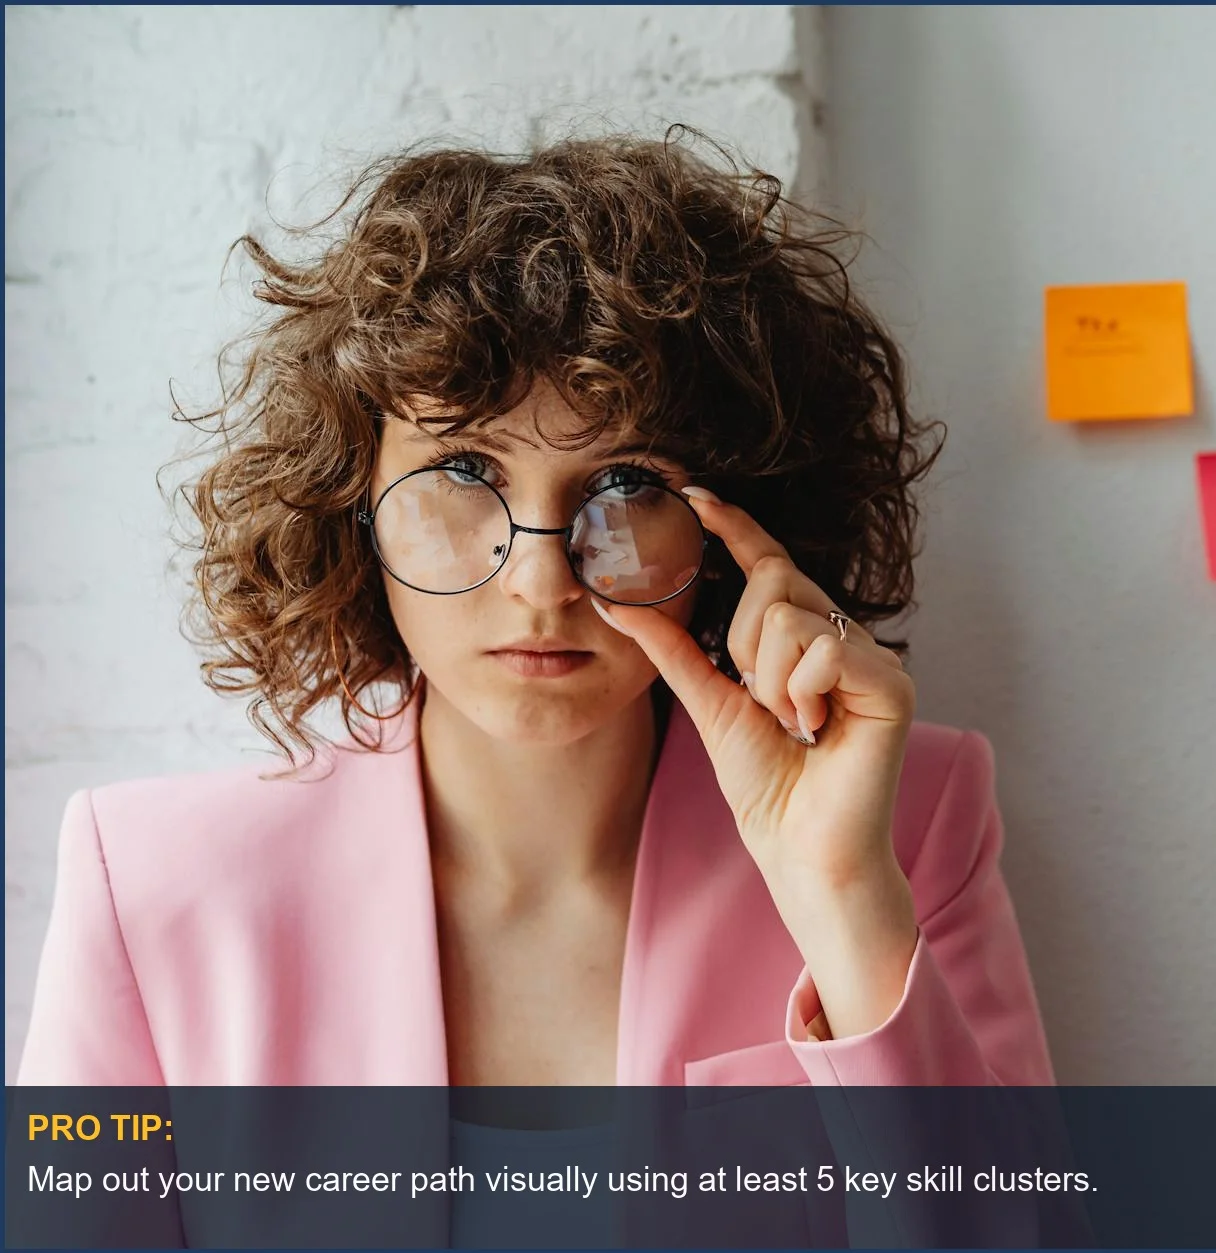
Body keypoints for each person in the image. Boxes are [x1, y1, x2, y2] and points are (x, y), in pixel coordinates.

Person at [15, 128, 1057, 1095]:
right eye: (464, 470)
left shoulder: (909, 827)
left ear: (742, 522)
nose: (540, 581)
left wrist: (845, 901)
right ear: (349, 503)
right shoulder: (149, 885)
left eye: (630, 482)